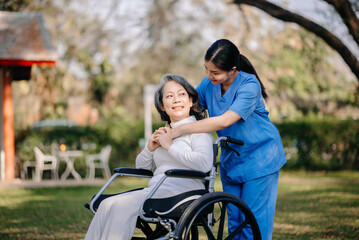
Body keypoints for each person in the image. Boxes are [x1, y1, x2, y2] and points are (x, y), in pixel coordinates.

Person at [168, 39, 287, 240]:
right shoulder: (208, 84)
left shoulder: (249, 85)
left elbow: (225, 121)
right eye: (206, 69)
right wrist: (170, 123)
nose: (208, 76)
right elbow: (192, 108)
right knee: (234, 222)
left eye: (214, 72)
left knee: (253, 224)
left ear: (232, 69)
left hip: (261, 157)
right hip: (232, 159)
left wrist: (181, 129)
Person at [83, 73, 213, 240]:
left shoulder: (198, 129)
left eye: (182, 94)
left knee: (121, 206)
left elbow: (204, 164)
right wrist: (150, 149)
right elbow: (142, 168)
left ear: (190, 101)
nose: (176, 99)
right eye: (169, 96)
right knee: (106, 205)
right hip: (157, 190)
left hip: (185, 192)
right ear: (162, 106)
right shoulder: (165, 132)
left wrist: (170, 147)